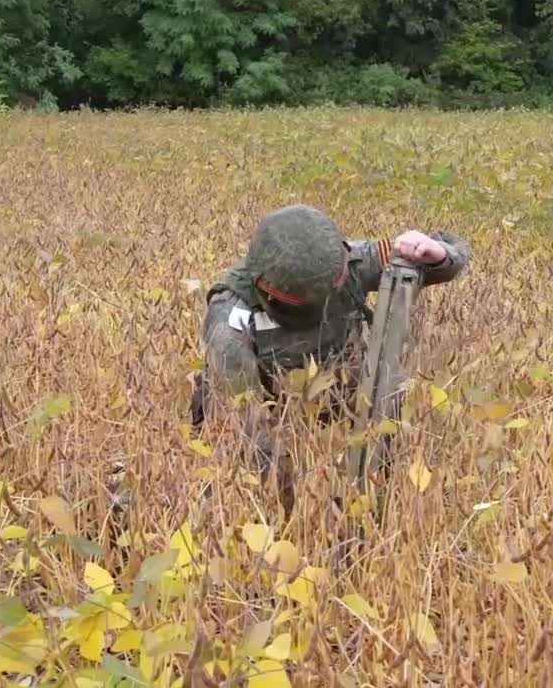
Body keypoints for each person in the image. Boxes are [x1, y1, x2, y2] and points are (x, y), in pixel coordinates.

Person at [191, 203, 470, 512]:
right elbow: (247, 427)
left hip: (337, 394)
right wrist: (305, 506)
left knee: (394, 387)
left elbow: (440, 260)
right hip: (276, 412)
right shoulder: (231, 319)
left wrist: (438, 253)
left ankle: (381, 487)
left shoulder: (345, 263)